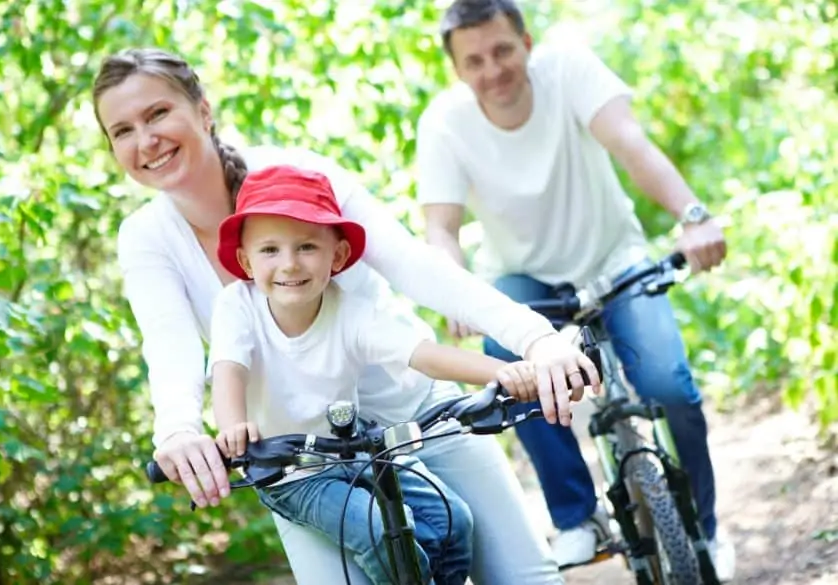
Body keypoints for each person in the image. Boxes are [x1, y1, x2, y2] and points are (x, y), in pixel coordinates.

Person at [93, 47, 600, 584]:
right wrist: (177, 430)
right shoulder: (147, 237)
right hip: (300, 462)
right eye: (122, 130)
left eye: (157, 114)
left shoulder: (300, 174)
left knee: (523, 574)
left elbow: (415, 266)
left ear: (203, 109)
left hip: (414, 407)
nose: (145, 140)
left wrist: (535, 340)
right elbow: (169, 345)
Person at [415, 0, 735, 580]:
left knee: (670, 386)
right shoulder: (444, 122)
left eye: (503, 50)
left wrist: (693, 214)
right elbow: (441, 227)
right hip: (524, 277)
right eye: (475, 61)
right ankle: (576, 517)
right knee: (508, 361)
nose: (493, 70)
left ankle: (706, 530)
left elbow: (630, 143)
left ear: (527, 43)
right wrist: (454, 290)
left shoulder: (568, 69)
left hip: (613, 257)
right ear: (458, 69)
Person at [209, 164, 546, 584]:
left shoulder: (348, 312)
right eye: (270, 250)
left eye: (307, 247)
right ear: (245, 260)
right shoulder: (237, 307)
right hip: (290, 471)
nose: (290, 264)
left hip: (352, 448)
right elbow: (229, 369)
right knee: (376, 530)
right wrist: (231, 426)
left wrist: (505, 372)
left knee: (452, 520)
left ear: (339, 255)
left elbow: (422, 354)